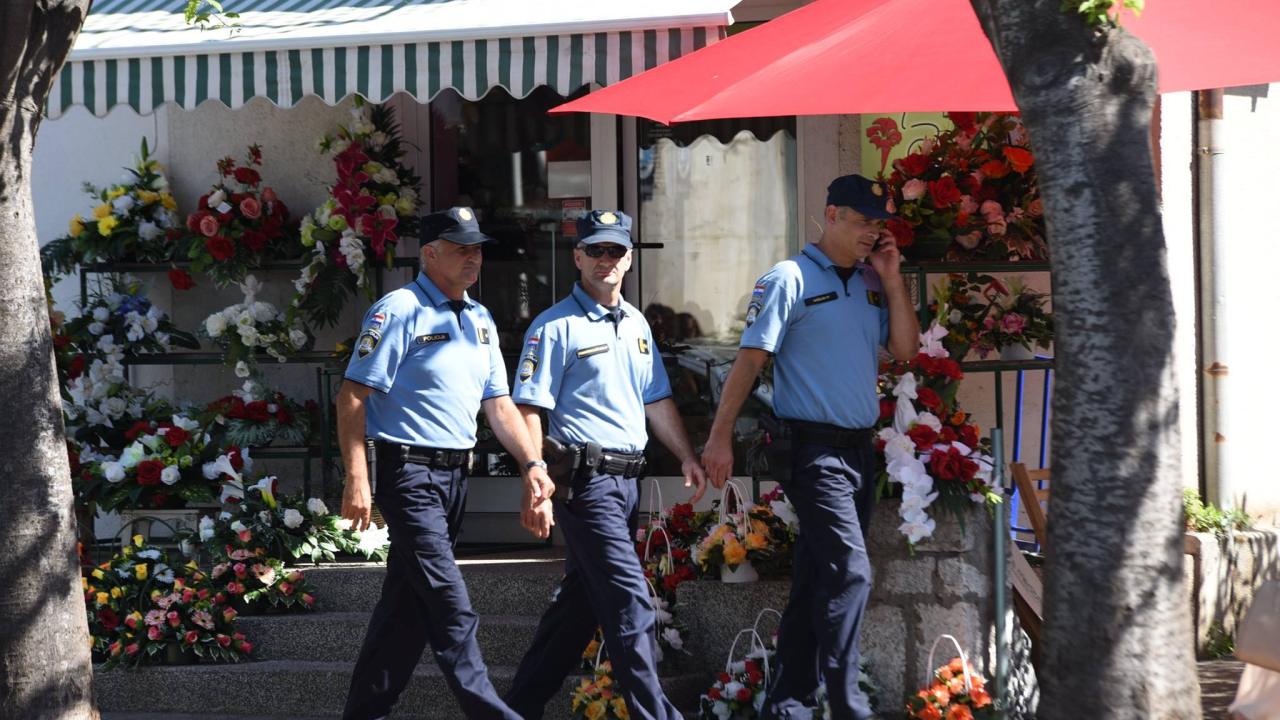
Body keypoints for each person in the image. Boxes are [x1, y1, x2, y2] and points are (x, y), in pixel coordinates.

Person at [701, 175, 920, 720]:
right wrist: (719, 436)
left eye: (880, 223)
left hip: (858, 451)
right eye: (865, 220)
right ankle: (846, 703)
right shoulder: (788, 278)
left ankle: (787, 700)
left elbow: (905, 349)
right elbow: (749, 361)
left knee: (819, 577)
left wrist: (893, 283)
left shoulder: (872, 280)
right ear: (832, 215)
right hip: (814, 451)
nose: (874, 231)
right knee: (851, 572)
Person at [337, 206, 555, 720]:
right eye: (462, 248)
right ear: (430, 254)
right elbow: (351, 396)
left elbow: (499, 405)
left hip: (456, 475)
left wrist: (532, 463)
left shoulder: (479, 317)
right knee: (449, 603)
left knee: (405, 611)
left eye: (477, 248)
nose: (473, 257)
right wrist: (357, 478)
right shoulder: (399, 309)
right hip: (408, 474)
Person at [503, 210, 708, 720]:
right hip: (586, 483)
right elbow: (529, 406)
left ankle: (516, 711)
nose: (605, 260)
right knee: (630, 602)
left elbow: (656, 398)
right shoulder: (553, 326)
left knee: (578, 609)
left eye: (615, 251)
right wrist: (535, 471)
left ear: (629, 259)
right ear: (577, 257)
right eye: (595, 250)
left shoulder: (637, 323)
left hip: (627, 483)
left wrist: (686, 455)